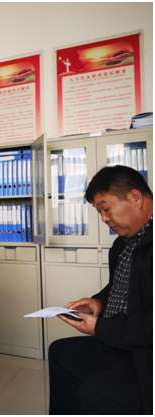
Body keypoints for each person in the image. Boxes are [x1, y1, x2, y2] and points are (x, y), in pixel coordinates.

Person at [48, 165, 152, 414]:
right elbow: (120, 286)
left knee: (91, 394)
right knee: (59, 352)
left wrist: (99, 327)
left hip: (144, 351)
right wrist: (98, 302)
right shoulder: (122, 244)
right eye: (99, 212)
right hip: (117, 336)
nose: (104, 218)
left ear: (136, 198)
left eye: (106, 208)